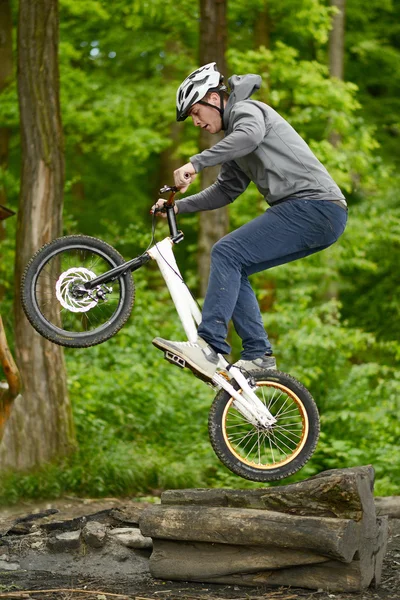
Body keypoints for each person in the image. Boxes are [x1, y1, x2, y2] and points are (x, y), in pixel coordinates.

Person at [151, 62, 348, 382]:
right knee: (234, 262)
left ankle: (208, 346)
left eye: (196, 112)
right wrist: (177, 207)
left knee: (227, 252)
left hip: (314, 207)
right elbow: (226, 191)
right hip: (317, 214)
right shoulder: (238, 140)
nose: (196, 122)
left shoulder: (247, 112)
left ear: (214, 99)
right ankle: (258, 355)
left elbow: (250, 136)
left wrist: (196, 163)